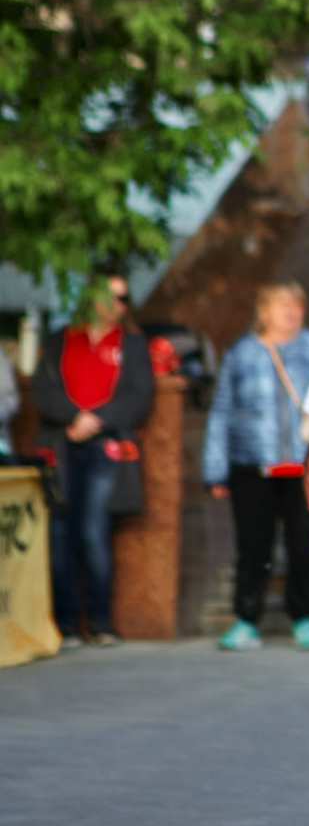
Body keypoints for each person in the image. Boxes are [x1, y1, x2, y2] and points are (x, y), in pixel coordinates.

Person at [203, 282, 309, 652]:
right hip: (252, 467)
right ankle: (246, 620)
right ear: (264, 311)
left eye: (297, 306)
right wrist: (215, 470)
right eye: (282, 306)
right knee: (253, 546)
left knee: (305, 545)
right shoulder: (242, 353)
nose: (291, 312)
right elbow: (222, 412)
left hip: (307, 466)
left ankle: (304, 618)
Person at [32, 276, 153, 648]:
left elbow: (139, 395)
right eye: (114, 296)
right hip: (64, 444)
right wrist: (73, 417)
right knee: (60, 532)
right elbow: (43, 389)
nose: (121, 303)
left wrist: (95, 420)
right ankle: (66, 625)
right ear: (94, 298)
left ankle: (100, 622)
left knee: (93, 531)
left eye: (125, 297)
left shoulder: (131, 345)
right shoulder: (60, 339)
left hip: (105, 446)